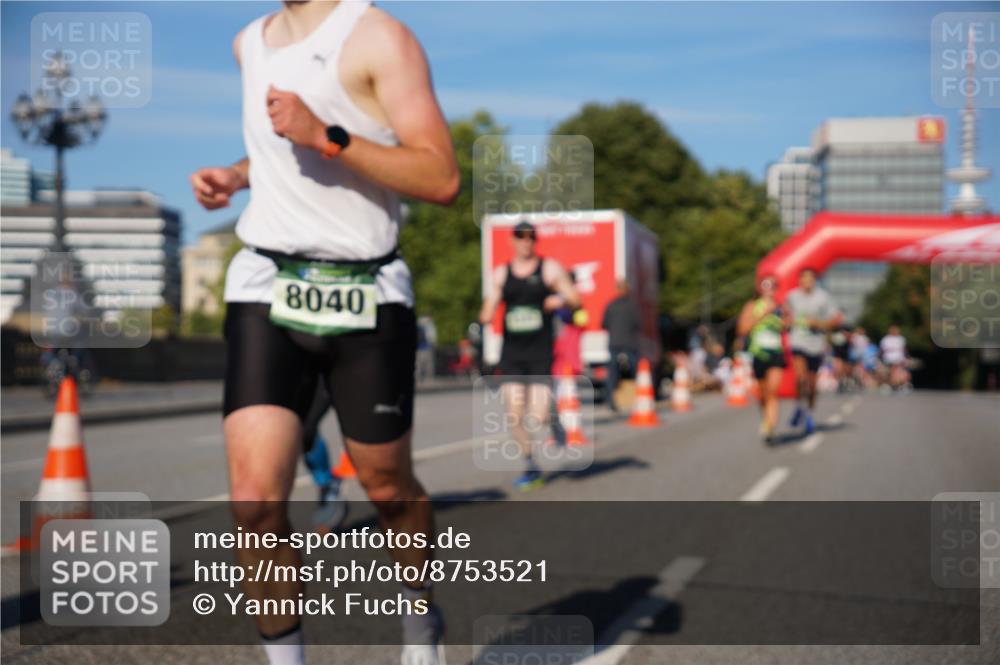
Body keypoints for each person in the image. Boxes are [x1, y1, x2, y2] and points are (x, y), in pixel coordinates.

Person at [189, 2, 458, 664]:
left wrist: (326, 135)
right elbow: (275, 146)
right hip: (267, 286)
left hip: (365, 288)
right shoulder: (247, 43)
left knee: (389, 487)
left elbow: (440, 176)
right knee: (254, 503)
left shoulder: (379, 38)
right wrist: (238, 173)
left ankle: (420, 617)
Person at [479, 221, 579, 490]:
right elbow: (489, 306)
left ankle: (553, 416)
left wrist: (559, 299)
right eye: (520, 238)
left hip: (540, 353)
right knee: (514, 416)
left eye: (530, 238)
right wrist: (486, 314)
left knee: (538, 416)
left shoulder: (549, 269)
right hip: (512, 354)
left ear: (535, 241)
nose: (525, 242)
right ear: (512, 241)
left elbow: (575, 299)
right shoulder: (502, 274)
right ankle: (531, 466)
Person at [786, 268, 842, 435]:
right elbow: (785, 315)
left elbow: (835, 320)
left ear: (815, 281)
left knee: (811, 383)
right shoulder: (792, 296)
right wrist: (788, 321)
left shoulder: (823, 297)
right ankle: (798, 404)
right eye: (805, 278)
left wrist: (819, 324)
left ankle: (808, 411)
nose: (808, 282)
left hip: (816, 344)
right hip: (798, 341)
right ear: (800, 280)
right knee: (800, 377)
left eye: (811, 279)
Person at [737, 275, 792, 444]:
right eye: (766, 285)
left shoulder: (781, 306)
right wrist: (763, 315)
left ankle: (770, 426)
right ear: (760, 288)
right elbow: (743, 329)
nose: (769, 288)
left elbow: (789, 326)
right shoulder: (752, 306)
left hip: (776, 352)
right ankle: (766, 418)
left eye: (773, 285)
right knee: (762, 394)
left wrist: (785, 317)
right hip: (758, 353)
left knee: (773, 391)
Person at [602, 280, 640, 412]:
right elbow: (638, 324)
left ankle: (611, 400)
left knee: (612, 373)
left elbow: (604, 324)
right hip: (629, 343)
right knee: (636, 372)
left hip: (615, 342)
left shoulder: (611, 305)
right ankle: (639, 398)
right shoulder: (633, 305)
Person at [879, 324, 910, 390]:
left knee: (899, 371)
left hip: (899, 358)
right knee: (891, 371)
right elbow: (882, 350)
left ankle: (897, 383)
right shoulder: (886, 339)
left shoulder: (901, 339)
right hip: (889, 358)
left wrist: (907, 357)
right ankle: (892, 383)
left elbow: (904, 349)